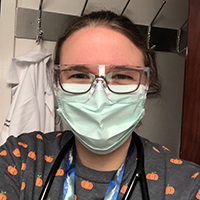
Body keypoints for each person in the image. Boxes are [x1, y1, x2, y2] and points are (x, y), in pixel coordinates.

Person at [0, 10, 199, 200]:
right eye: (79, 75)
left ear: (145, 84)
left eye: (121, 76)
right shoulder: (20, 159)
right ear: (57, 81)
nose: (99, 96)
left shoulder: (187, 185)